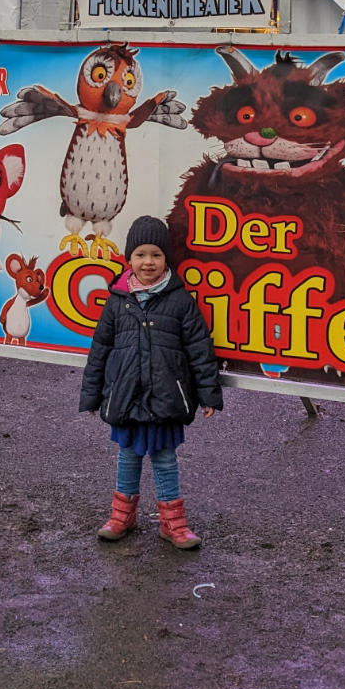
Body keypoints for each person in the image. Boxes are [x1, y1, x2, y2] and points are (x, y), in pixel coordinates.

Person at [79, 215, 223, 548]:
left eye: (156, 255)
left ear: (166, 259)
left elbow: (199, 350)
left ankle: (173, 524)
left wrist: (208, 395)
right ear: (129, 259)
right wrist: (92, 395)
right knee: (128, 456)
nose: (148, 262)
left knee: (164, 459)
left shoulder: (180, 301)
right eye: (140, 254)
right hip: (126, 397)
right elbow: (100, 350)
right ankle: (121, 517)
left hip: (165, 398)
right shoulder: (117, 301)